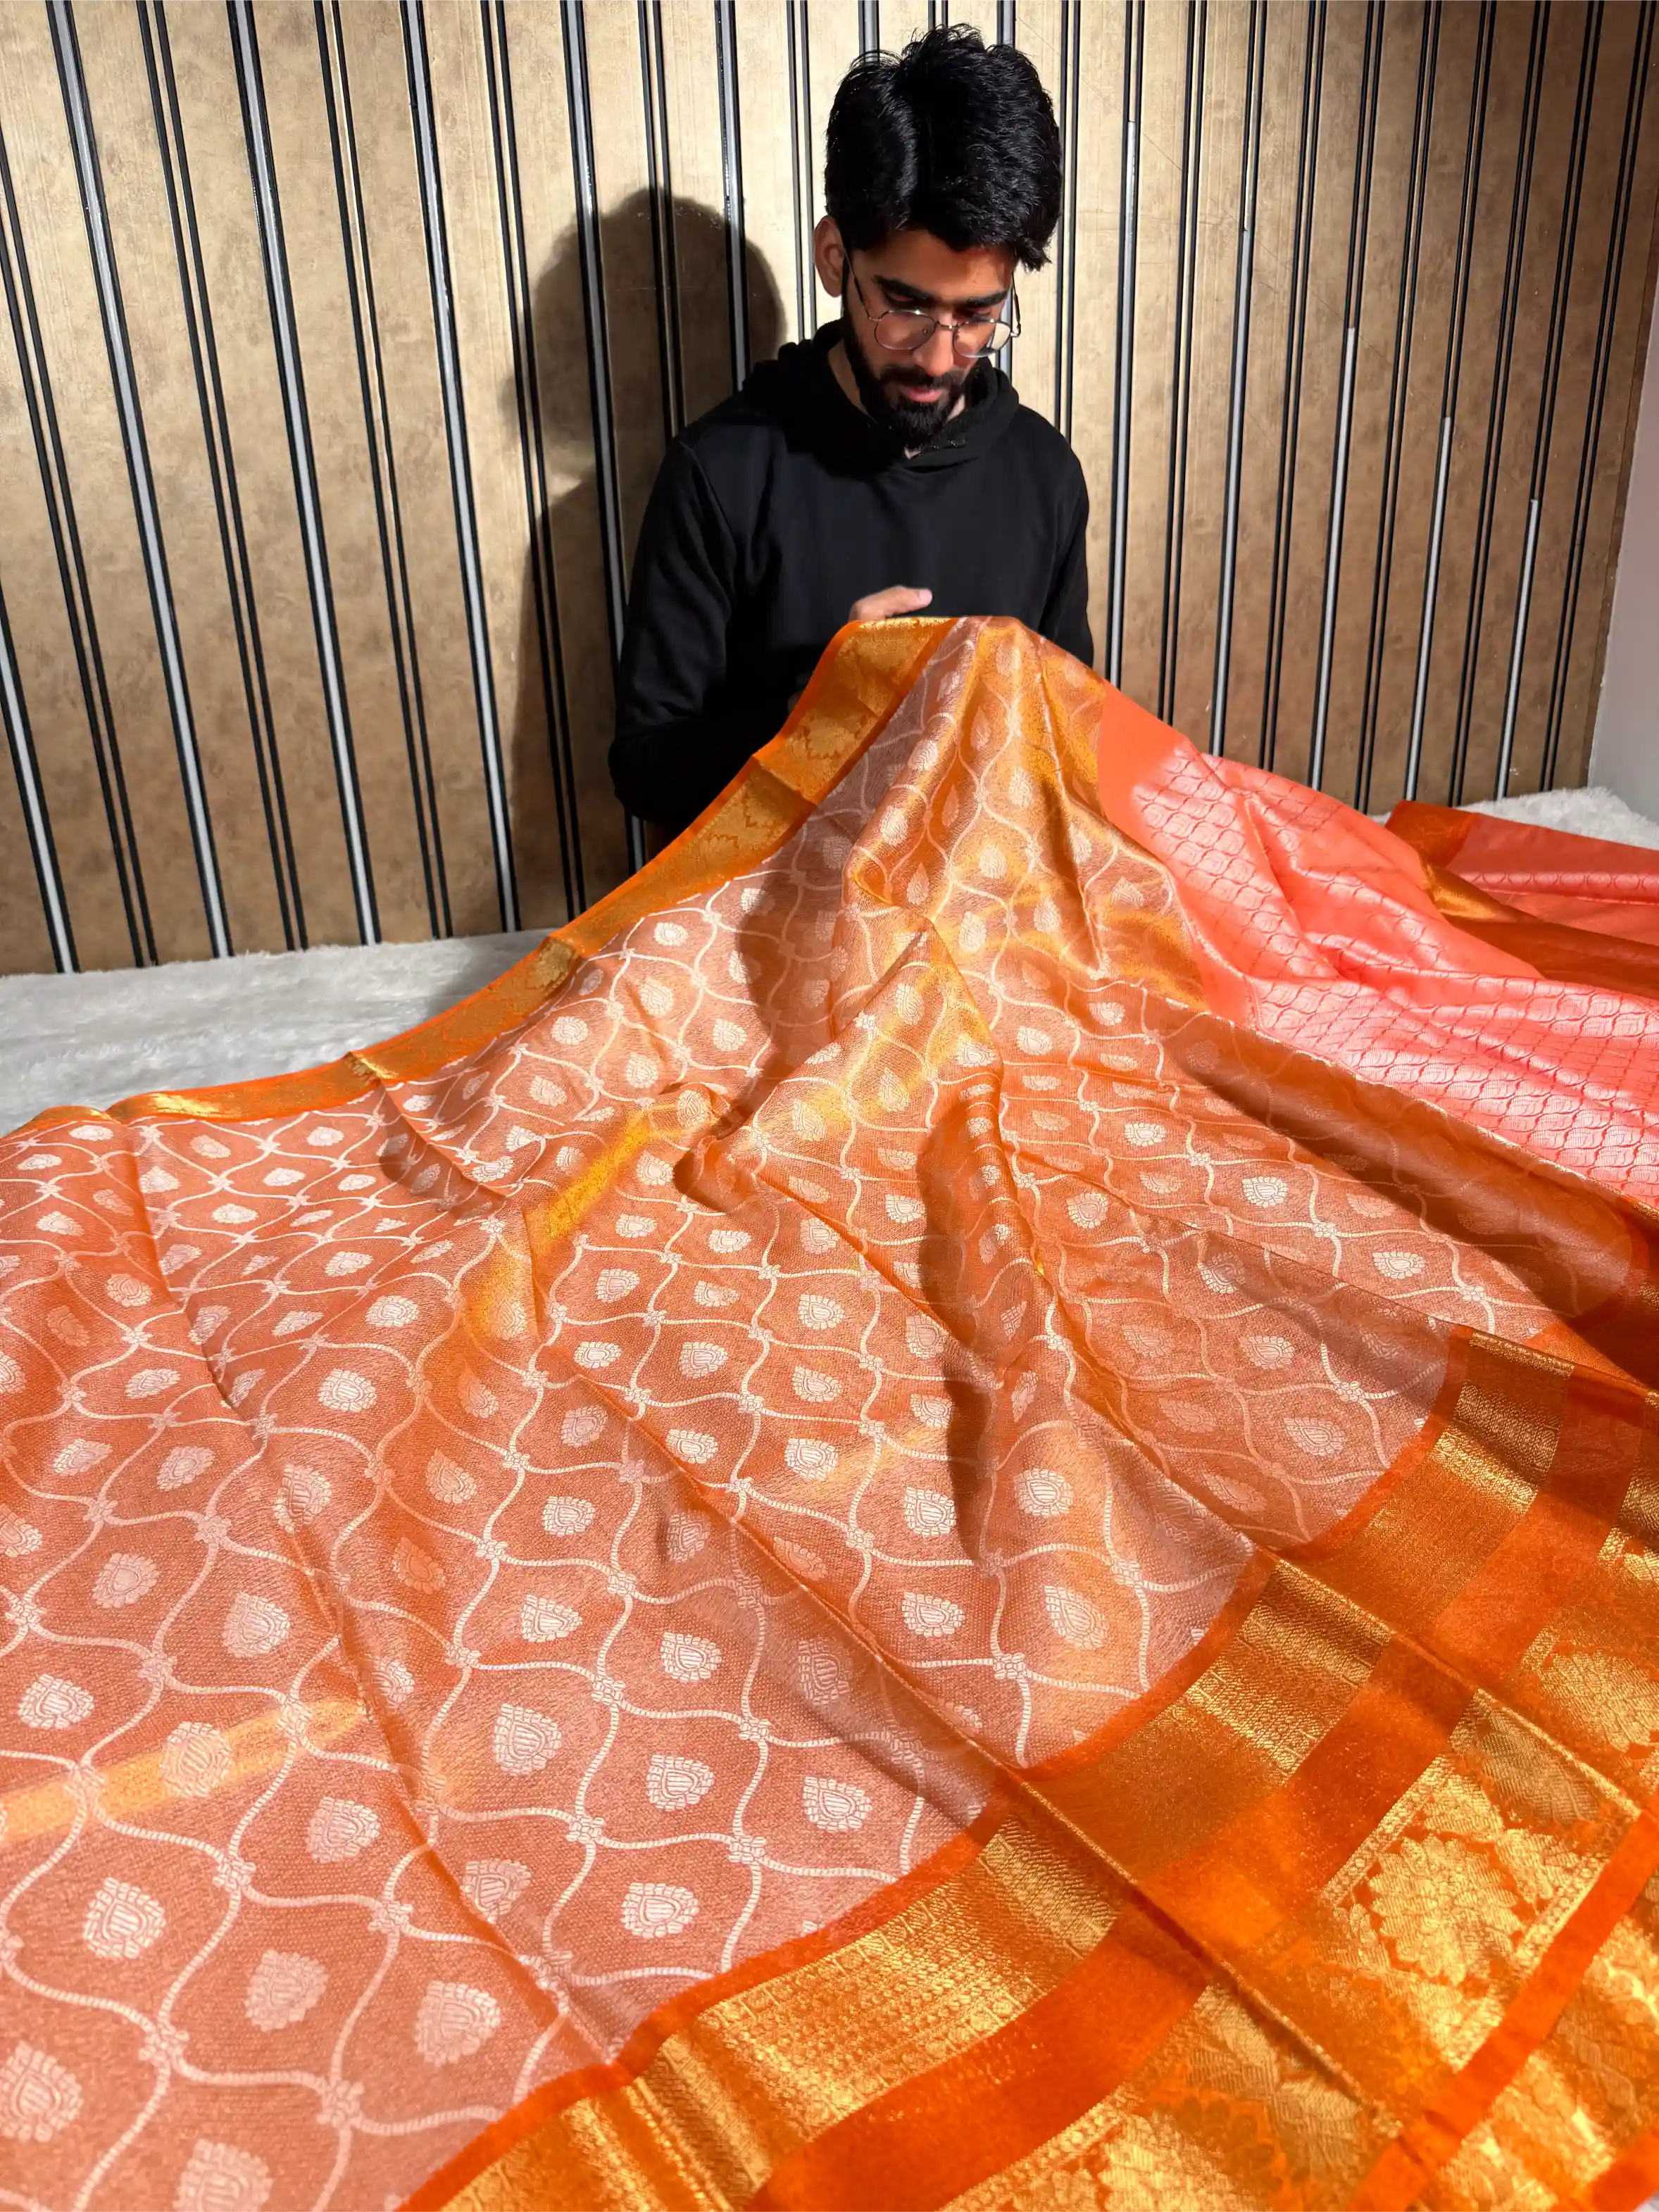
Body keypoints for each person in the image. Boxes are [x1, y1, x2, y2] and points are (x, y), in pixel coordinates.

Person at [610, 24, 1091, 841]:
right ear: (835, 258)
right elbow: (646, 771)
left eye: (977, 316)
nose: (940, 357)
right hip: (779, 906)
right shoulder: (719, 471)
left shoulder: (1041, 472)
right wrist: (814, 709)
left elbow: (1069, 743)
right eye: (902, 306)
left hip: (978, 904)